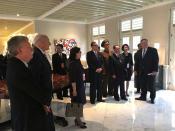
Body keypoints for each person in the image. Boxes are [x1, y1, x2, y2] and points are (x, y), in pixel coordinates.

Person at [6, 36, 51, 131]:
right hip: (27, 118)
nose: (32, 49)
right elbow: (33, 89)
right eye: (28, 46)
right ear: (19, 50)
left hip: (28, 115)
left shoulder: (18, 65)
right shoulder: (17, 68)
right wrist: (45, 101)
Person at [29, 34, 55, 130]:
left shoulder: (39, 53)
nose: (50, 43)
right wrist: (43, 101)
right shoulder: (35, 55)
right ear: (41, 42)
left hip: (44, 97)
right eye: (48, 41)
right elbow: (36, 80)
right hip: (42, 99)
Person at [135, 39, 159, 104]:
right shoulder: (138, 52)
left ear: (147, 43)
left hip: (151, 72)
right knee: (143, 85)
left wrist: (155, 70)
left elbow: (156, 61)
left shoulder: (153, 50)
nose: (144, 44)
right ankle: (143, 97)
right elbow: (137, 63)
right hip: (141, 72)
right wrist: (135, 70)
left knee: (151, 86)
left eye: (145, 43)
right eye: (143, 43)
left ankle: (152, 98)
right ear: (141, 44)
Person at [68, 47, 87, 129]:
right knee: (76, 104)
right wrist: (74, 90)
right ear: (75, 53)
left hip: (80, 85)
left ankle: (77, 119)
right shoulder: (72, 63)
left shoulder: (77, 61)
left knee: (80, 103)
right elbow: (72, 79)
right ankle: (79, 121)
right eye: (79, 52)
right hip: (76, 87)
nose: (80, 53)